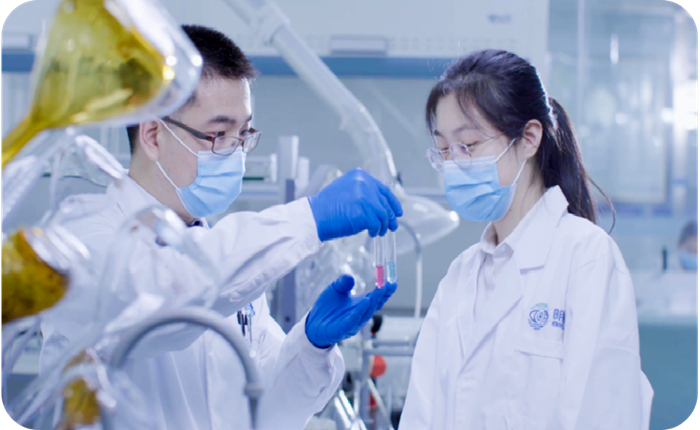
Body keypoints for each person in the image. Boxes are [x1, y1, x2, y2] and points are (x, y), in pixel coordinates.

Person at [40, 25, 401, 430]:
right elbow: (165, 297)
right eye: (218, 134)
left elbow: (267, 414)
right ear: (154, 134)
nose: (236, 154)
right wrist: (308, 219)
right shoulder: (82, 239)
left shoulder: (226, 263)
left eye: (243, 134)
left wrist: (311, 347)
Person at [399, 50, 653, 430]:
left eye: (469, 145)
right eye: (445, 150)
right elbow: (422, 415)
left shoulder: (586, 256)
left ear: (529, 138)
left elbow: (605, 414)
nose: (454, 165)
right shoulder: (459, 277)